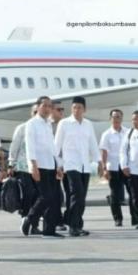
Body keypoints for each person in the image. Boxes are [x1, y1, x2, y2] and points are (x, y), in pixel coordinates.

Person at [55, 96, 102, 237]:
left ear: (85, 109)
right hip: (70, 165)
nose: (76, 110)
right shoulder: (64, 123)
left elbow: (93, 144)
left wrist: (99, 162)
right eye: (74, 107)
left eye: (79, 107)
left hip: (84, 166)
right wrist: (58, 165)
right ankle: (73, 226)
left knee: (79, 197)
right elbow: (56, 146)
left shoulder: (88, 124)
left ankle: (73, 222)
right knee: (77, 195)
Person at [22, 96, 64, 238]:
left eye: (49, 106)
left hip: (50, 165)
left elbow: (52, 147)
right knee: (45, 196)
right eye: (44, 106)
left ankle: (49, 230)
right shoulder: (32, 124)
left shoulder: (48, 124)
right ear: (38, 106)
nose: (47, 109)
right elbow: (30, 146)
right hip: (39, 165)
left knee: (53, 199)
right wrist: (33, 166)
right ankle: (30, 219)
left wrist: (59, 165)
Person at [99, 109, 137, 227]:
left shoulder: (129, 132)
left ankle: (135, 218)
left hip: (126, 167)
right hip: (113, 168)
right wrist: (104, 168)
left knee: (133, 194)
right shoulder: (106, 134)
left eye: (119, 117)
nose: (116, 119)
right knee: (115, 195)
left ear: (122, 118)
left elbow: (133, 149)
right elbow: (104, 152)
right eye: (114, 117)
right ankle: (118, 219)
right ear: (110, 119)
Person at [8, 104, 41, 234]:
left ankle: (34, 225)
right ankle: (25, 217)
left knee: (38, 195)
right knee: (29, 193)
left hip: (39, 167)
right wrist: (11, 163)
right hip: (23, 167)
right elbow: (14, 146)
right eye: (34, 112)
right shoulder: (22, 128)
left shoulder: (43, 128)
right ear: (31, 113)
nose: (36, 114)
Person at [50, 100, 69, 231]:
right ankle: (57, 220)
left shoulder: (67, 125)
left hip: (68, 164)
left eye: (62, 109)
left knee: (70, 193)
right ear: (51, 110)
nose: (61, 112)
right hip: (53, 165)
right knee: (56, 194)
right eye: (58, 109)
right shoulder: (47, 126)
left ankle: (69, 220)